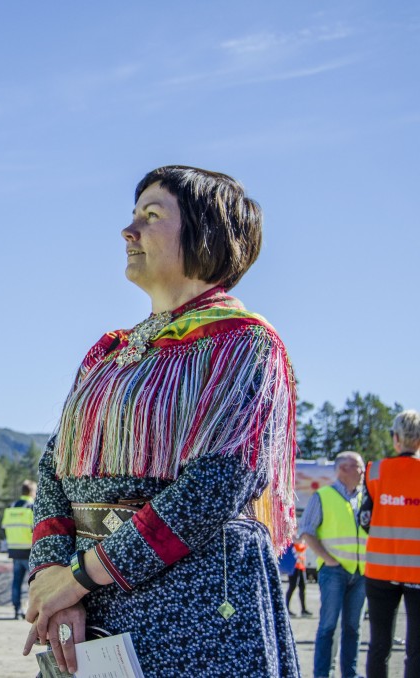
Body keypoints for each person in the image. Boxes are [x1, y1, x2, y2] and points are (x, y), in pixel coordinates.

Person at [21, 166, 299, 676]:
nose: (129, 232)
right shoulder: (108, 353)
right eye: (133, 216)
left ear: (205, 233)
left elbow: (217, 485)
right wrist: (54, 581)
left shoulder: (245, 344)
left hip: (193, 614)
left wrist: (81, 576)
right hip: (91, 605)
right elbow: (53, 468)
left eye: (151, 216)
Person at [361, 410, 420, 678]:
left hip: (380, 570)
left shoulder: (376, 471)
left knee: (379, 645)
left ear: (396, 438)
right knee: (416, 649)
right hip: (417, 572)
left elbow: (364, 519)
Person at [301, 451, 368, 678]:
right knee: (328, 626)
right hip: (333, 571)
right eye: (358, 467)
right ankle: (323, 674)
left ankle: (349, 673)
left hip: (360, 572)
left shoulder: (365, 499)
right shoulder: (323, 496)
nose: (363, 472)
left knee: (353, 628)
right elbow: (307, 530)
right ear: (343, 469)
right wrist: (328, 559)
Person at [2, 479, 37, 619]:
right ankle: (33, 611)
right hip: (29, 551)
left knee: (16, 581)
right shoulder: (31, 507)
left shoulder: (12, 507)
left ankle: (17, 610)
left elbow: (4, 527)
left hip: (14, 550)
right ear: (32, 492)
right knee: (34, 583)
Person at [285, 535, 312, 617]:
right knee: (292, 587)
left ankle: (303, 610)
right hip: (294, 567)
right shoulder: (291, 535)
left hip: (301, 566)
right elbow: (298, 542)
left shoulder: (299, 535)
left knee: (302, 587)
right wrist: (305, 537)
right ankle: (286, 609)